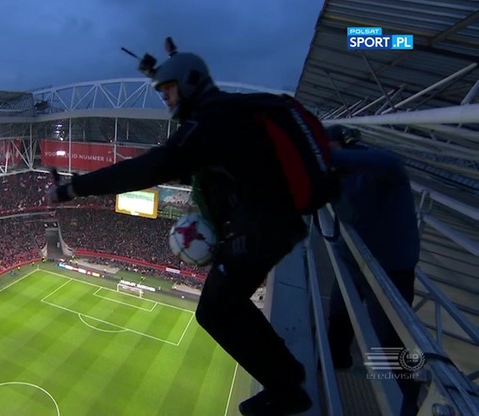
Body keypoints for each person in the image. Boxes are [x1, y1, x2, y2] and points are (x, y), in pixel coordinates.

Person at [49, 40, 322, 415]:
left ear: (189, 85)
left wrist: (73, 188)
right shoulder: (222, 112)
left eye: (169, 91)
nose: (166, 100)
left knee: (215, 310)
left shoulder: (208, 125)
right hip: (272, 221)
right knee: (224, 303)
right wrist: (163, 71)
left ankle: (288, 389)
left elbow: (147, 169)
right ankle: (287, 376)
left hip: (263, 226)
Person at [324, 125, 421, 415]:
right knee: (338, 315)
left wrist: (329, 158)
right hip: (355, 260)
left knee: (389, 340)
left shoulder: (376, 164)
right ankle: (336, 359)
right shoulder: (337, 175)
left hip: (390, 270)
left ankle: (409, 399)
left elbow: (392, 163)